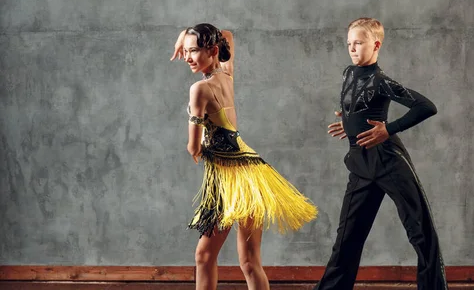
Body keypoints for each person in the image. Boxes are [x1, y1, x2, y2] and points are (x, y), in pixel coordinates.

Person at [171, 24, 317, 290]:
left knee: (204, 256)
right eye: (187, 51)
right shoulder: (227, 74)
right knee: (250, 262)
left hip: (229, 179)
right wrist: (187, 36)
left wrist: (199, 150)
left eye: (194, 51)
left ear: (213, 51)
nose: (188, 57)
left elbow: (192, 147)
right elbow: (227, 34)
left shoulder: (199, 89)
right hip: (254, 175)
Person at [315, 17, 447, 290]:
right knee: (346, 238)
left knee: (421, 232)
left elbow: (426, 107)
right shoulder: (348, 73)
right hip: (360, 162)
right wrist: (349, 124)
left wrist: (389, 129)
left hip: (388, 160)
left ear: (375, 45)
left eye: (359, 43)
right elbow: (358, 106)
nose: (352, 48)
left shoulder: (382, 81)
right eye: (349, 43)